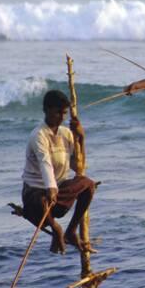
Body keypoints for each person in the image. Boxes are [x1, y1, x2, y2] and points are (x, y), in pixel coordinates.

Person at [22, 90, 96, 255]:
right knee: (41, 199)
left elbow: (78, 167)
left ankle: (71, 231)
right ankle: (56, 229)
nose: (62, 117)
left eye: (64, 113)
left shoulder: (66, 133)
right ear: (47, 110)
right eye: (57, 112)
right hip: (37, 196)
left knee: (88, 184)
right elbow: (44, 161)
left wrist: (81, 138)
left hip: (57, 193)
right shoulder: (38, 135)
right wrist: (51, 187)